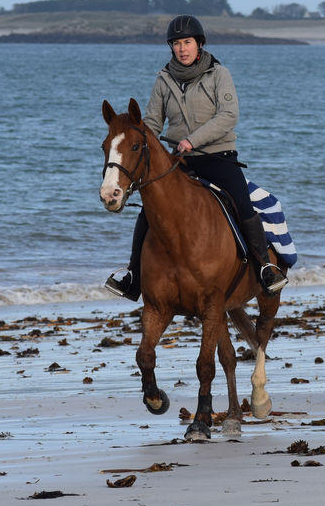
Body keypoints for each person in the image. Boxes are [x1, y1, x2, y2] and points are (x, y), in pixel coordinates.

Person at [105, 15, 286, 300]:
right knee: (149, 208)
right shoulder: (164, 78)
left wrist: (193, 140)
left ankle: (264, 267)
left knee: (241, 200)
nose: (182, 49)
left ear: (199, 44)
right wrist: (134, 141)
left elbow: (228, 116)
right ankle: (133, 276)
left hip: (218, 156)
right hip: (181, 161)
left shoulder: (219, 75)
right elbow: (152, 121)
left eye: (187, 42)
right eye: (176, 43)